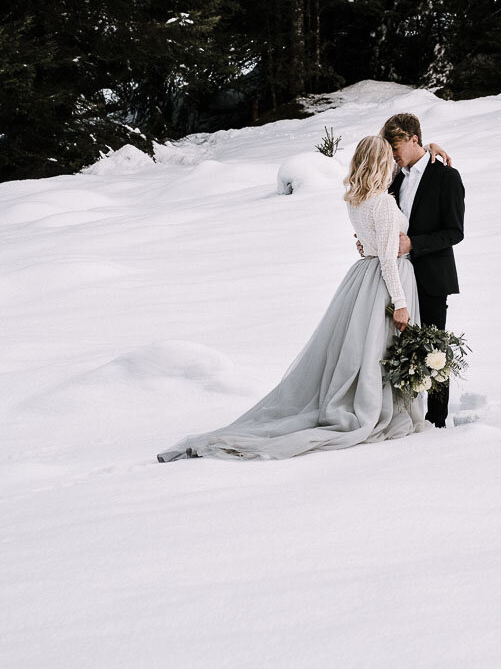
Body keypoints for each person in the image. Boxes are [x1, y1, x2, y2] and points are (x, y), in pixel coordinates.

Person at [157, 135, 431, 462]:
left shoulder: (355, 199)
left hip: (362, 278)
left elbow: (366, 243)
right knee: (378, 350)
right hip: (387, 281)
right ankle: (377, 407)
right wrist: (400, 304)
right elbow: (388, 257)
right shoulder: (383, 203)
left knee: (368, 351)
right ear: (382, 163)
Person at [382, 114, 465, 428]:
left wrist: (412, 244)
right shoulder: (395, 176)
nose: (393, 152)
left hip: (431, 274)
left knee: (434, 348)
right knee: (397, 344)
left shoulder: (447, 177)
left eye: (397, 145)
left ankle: (437, 419)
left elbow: (454, 232)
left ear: (413, 138)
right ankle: (404, 413)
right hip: (395, 276)